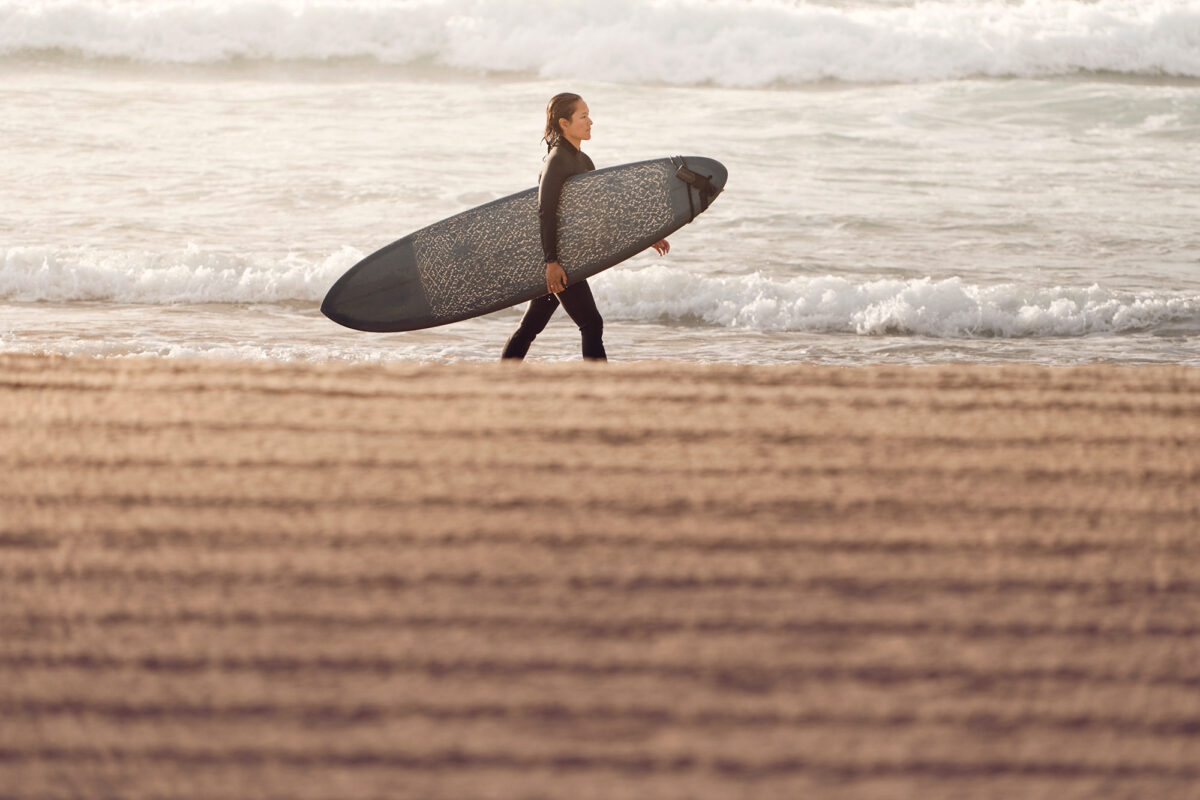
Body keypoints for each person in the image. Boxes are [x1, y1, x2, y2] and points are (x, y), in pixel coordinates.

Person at [501, 93, 669, 361]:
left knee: (531, 326)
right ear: (564, 123)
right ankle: (598, 386)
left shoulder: (583, 161)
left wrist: (645, 237)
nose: (591, 121)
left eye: (589, 115)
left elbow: (600, 213)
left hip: (564, 257)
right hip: (558, 260)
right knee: (591, 323)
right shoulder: (557, 160)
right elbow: (545, 212)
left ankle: (502, 375)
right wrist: (551, 262)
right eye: (583, 116)